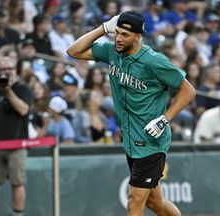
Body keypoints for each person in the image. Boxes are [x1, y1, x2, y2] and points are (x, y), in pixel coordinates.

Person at [67, 11, 195, 216]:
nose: (118, 38)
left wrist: (164, 119)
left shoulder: (154, 61)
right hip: (131, 138)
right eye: (117, 33)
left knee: (134, 202)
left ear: (138, 37)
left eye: (125, 35)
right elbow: (73, 51)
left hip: (151, 141)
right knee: (156, 203)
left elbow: (188, 90)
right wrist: (103, 29)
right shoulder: (112, 52)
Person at [0, 57, 33, 216]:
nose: (7, 72)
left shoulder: (22, 88)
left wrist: (8, 91)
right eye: (3, 69)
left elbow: (24, 110)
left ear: (15, 70)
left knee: (17, 183)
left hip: (17, 143)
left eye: (10, 68)